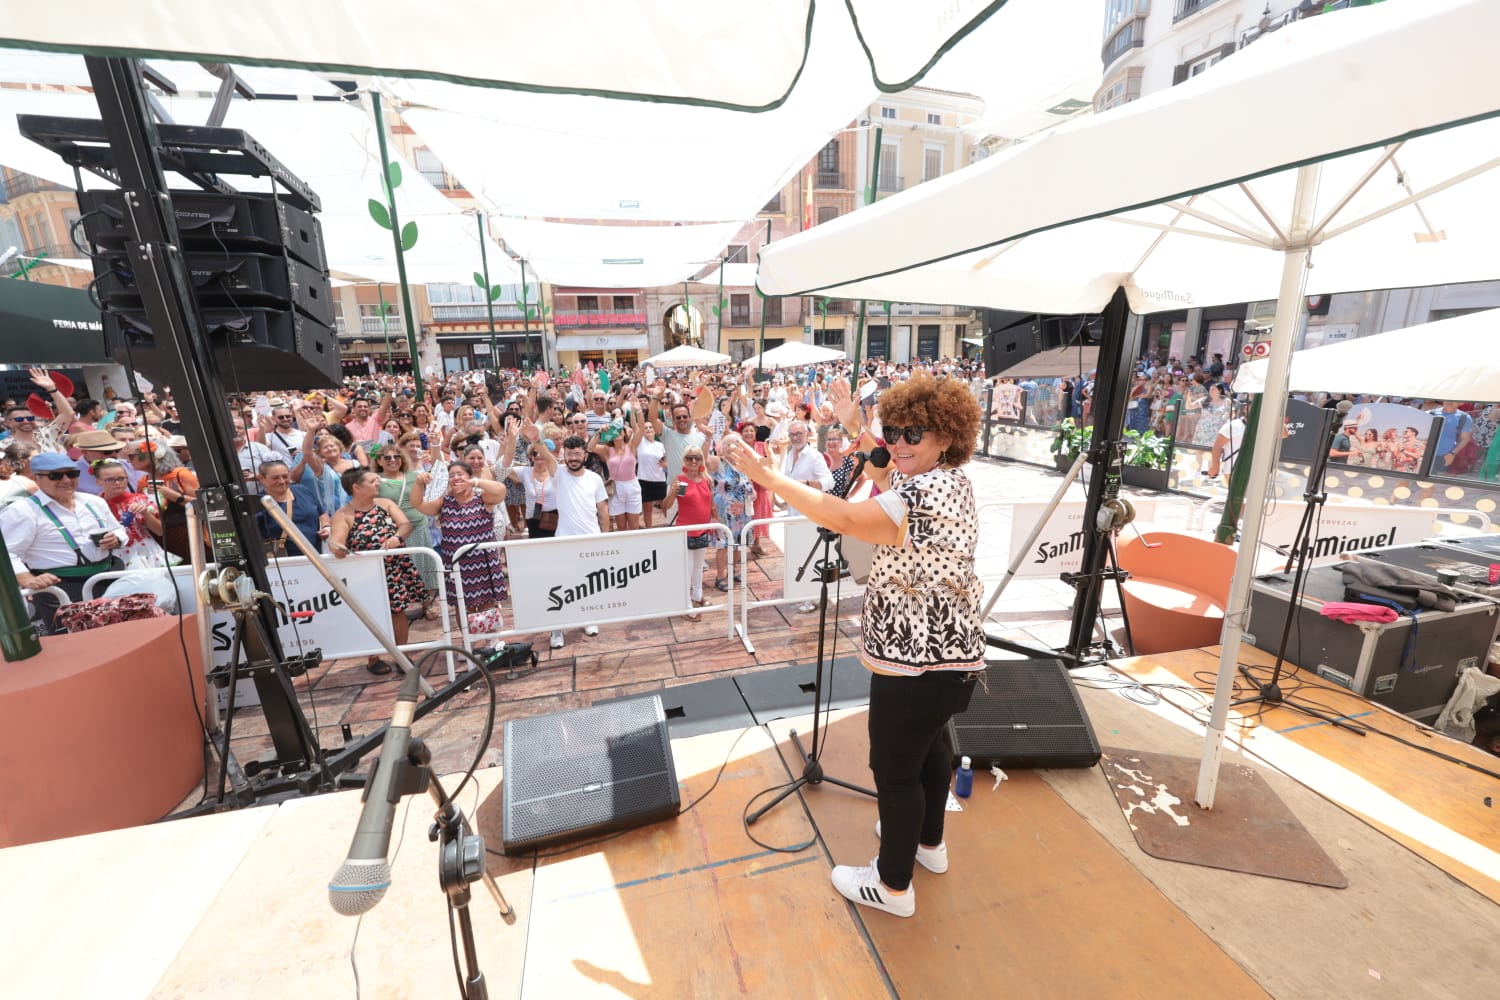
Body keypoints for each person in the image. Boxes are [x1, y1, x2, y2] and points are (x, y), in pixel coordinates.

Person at [721, 373, 984, 919]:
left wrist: (768, 475)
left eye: (916, 432)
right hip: (952, 660)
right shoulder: (952, 480)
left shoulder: (920, 495)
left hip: (913, 664)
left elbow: (843, 516)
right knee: (932, 752)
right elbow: (888, 471)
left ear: (946, 437)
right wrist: (858, 430)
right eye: (896, 430)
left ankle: (892, 887)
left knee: (894, 774)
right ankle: (929, 847)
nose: (902, 441)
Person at [1, 451, 128, 632]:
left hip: (108, 577)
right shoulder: (22, 511)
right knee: (76, 645)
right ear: (36, 478)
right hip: (62, 589)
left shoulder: (93, 502)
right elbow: (7, 553)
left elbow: (118, 529)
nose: (66, 480)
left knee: (121, 634)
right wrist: (27, 578)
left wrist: (117, 538)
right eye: (55, 475)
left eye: (72, 473)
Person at [330, 468, 425, 675]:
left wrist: (397, 538)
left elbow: (405, 525)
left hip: (394, 567)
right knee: (371, 614)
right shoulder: (343, 515)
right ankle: (373, 657)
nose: (378, 483)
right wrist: (337, 548)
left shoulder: (386, 504)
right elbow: (336, 542)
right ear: (356, 487)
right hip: (365, 573)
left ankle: (402, 654)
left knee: (398, 611)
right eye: (373, 481)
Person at [413, 460, 511, 641]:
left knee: (487, 601)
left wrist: (475, 483)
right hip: (456, 563)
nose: (456, 478)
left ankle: (491, 639)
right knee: (461, 603)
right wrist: (419, 484)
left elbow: (501, 490)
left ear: (469, 476)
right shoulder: (444, 502)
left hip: (483, 561)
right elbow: (418, 504)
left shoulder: (482, 498)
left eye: (460, 474)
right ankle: (469, 640)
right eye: (452, 475)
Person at [532, 435, 608, 649]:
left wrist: (607, 536)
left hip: (591, 539)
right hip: (564, 541)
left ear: (585, 454)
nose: (573, 458)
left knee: (589, 583)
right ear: (564, 454)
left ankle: (588, 618)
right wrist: (537, 439)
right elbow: (546, 454)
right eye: (569, 454)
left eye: (577, 454)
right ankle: (557, 629)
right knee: (560, 586)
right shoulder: (558, 474)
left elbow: (602, 508)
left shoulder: (595, 478)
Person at [658, 443, 717, 619]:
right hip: (686, 530)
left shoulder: (707, 479)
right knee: (687, 568)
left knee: (699, 566)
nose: (693, 461)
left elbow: (710, 502)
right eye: (690, 457)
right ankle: (685, 602)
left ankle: (697, 594)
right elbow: (666, 507)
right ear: (684, 460)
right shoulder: (680, 480)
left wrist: (716, 519)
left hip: (703, 529)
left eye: (697, 457)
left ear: (701, 460)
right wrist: (673, 493)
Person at [93, 458, 169, 568]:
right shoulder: (94, 504)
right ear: (98, 481)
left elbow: (160, 531)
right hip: (112, 558)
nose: (117, 483)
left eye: (121, 478)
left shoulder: (141, 499)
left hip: (145, 555)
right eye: (110, 480)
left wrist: (145, 513)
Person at [255, 459, 330, 557]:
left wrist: (326, 527)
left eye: (285, 476)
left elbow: (321, 512)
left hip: (316, 556)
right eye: (275, 478)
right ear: (262, 478)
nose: (282, 481)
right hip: (284, 562)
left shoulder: (303, 490)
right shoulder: (257, 504)